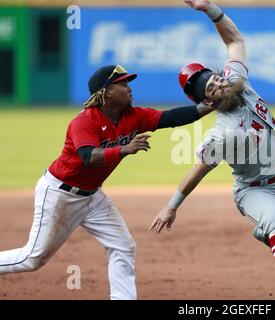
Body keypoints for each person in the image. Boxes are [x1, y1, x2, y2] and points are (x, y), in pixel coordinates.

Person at [151, 0, 275, 300]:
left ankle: (266, 233)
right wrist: (172, 205)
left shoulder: (239, 82)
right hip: (253, 189)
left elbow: (234, 40)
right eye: (211, 89)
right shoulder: (222, 132)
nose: (219, 85)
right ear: (207, 102)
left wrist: (209, 8)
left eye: (216, 79)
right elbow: (199, 169)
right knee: (272, 220)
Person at [0, 64, 213, 300]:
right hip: (60, 194)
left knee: (123, 246)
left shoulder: (134, 116)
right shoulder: (84, 121)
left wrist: (208, 107)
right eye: (123, 84)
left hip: (93, 198)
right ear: (106, 92)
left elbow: (170, 118)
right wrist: (125, 149)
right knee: (32, 259)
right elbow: (89, 156)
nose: (129, 88)